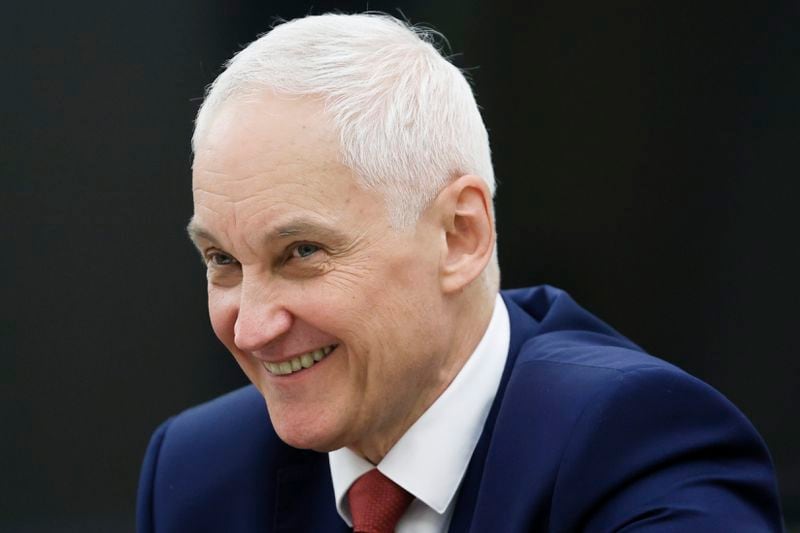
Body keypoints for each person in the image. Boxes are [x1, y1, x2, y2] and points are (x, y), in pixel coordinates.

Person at [136, 13, 783, 533]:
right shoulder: (197, 472)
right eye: (222, 260)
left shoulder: (636, 440)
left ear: (459, 235)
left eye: (302, 252)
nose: (251, 326)